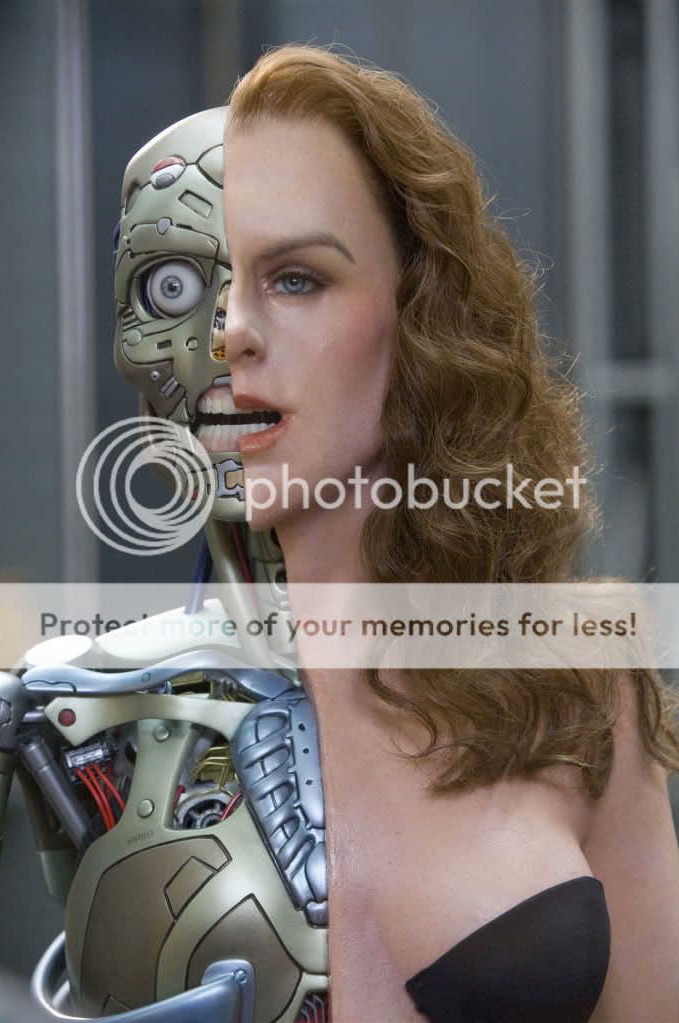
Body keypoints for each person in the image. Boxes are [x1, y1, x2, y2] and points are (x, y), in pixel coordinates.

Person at [221, 45, 679, 1022]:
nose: (234, 332)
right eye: (209, 287)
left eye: (294, 279)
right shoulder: (119, 709)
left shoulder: (582, 671)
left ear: (420, 312)